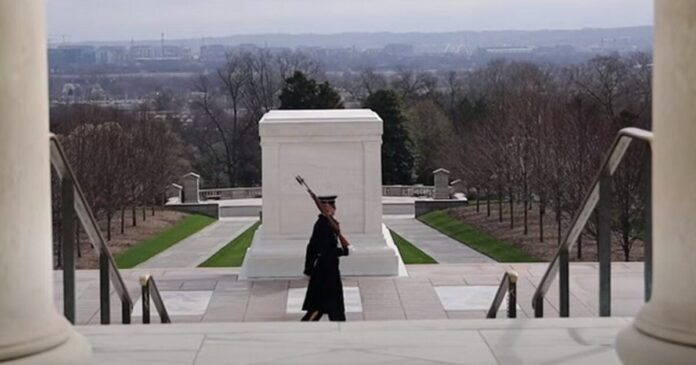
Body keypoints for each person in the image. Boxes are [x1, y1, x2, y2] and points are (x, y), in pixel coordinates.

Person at [301, 195, 350, 321]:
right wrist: (343, 251)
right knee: (322, 306)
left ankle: (340, 329)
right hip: (326, 271)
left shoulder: (327, 224)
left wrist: (309, 268)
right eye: (332, 206)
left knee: (327, 306)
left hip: (326, 270)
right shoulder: (324, 226)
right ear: (326, 207)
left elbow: (311, 247)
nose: (334, 208)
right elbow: (325, 249)